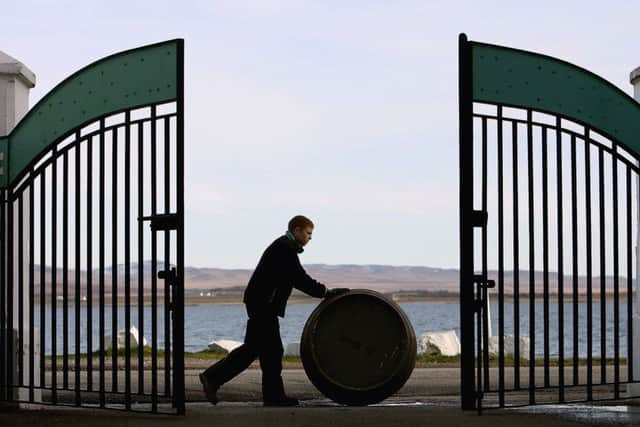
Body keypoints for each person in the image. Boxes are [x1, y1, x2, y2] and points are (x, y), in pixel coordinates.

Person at [199, 215, 349, 406]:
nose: (310, 238)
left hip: (260, 303)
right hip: (263, 304)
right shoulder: (284, 249)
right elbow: (299, 278)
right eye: (308, 233)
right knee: (272, 351)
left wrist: (323, 292)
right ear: (297, 230)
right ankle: (268, 394)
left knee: (255, 349)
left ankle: (217, 379)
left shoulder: (284, 247)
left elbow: (296, 277)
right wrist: (326, 292)